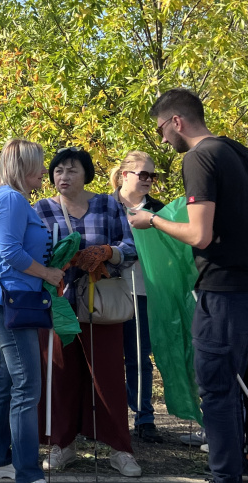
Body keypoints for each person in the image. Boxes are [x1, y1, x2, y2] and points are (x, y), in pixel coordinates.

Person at [128, 88, 248, 483]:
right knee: (245, 389)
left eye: (163, 129)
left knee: (216, 391)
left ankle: (224, 475)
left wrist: (152, 221)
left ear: (177, 121)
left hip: (223, 291)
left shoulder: (200, 157)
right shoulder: (244, 154)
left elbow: (200, 234)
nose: (164, 139)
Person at [34, 147, 141, 477]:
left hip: (100, 300)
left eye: (72, 170)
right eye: (58, 171)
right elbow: (33, 252)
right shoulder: (42, 208)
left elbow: (131, 247)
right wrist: (56, 262)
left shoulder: (109, 204)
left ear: (87, 174)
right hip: (59, 301)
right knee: (61, 372)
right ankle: (62, 444)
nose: (63, 177)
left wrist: (108, 252)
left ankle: (120, 448)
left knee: (107, 375)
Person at [0, 139, 63, 482]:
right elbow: (10, 252)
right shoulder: (12, 199)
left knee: (8, 382)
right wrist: (49, 273)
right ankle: (27, 471)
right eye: (39, 164)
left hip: (9, 302)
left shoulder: (8, 199)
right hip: (11, 303)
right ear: (22, 167)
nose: (44, 170)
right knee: (28, 385)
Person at [109, 151, 165, 444]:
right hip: (106, 291)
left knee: (139, 357)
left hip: (142, 291)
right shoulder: (104, 204)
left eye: (152, 176)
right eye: (143, 174)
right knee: (106, 357)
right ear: (123, 175)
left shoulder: (159, 209)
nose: (149, 180)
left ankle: (144, 418)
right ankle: (104, 418)